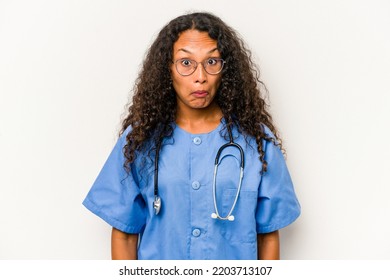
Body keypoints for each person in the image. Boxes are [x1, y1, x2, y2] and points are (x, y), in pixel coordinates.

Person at [82, 12, 300, 260]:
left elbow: (268, 235)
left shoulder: (256, 141)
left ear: (225, 69)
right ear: (168, 69)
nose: (200, 76)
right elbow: (124, 235)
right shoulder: (141, 139)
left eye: (212, 62)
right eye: (186, 63)